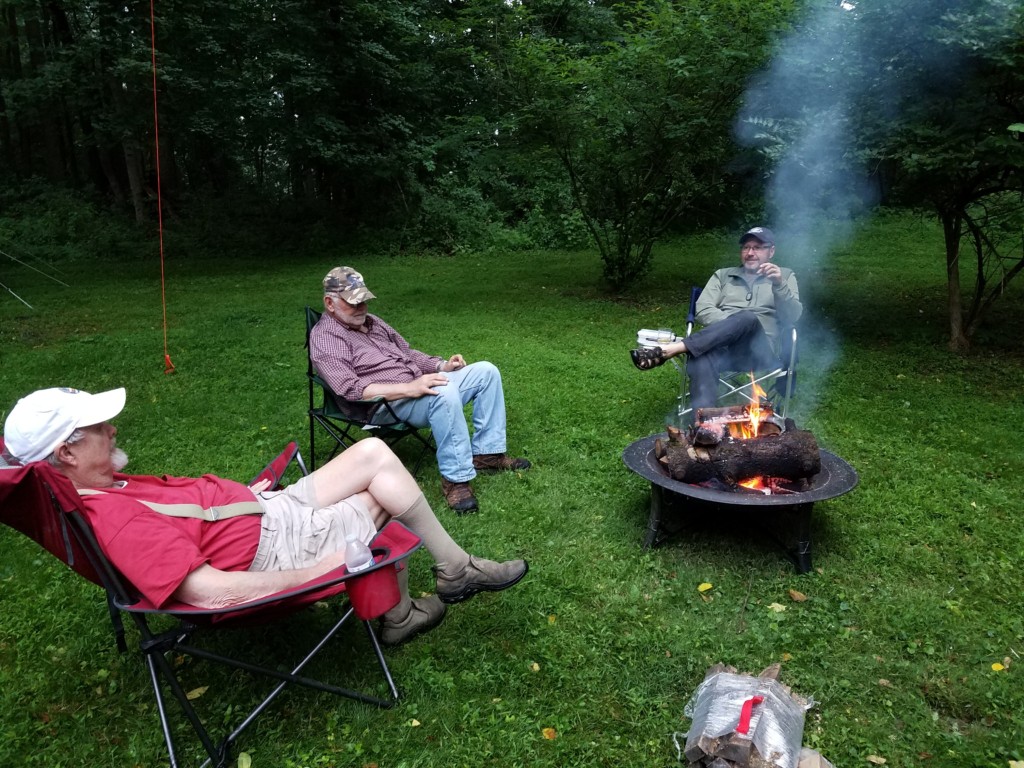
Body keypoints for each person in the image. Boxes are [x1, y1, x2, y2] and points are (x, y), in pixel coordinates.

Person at [2, 386, 529, 647]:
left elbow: (189, 515)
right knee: (381, 496)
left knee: (377, 457)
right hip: (275, 549)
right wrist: (324, 570)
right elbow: (211, 592)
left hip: (268, 512)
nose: (113, 429)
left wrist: (242, 499)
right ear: (66, 454)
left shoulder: (103, 483)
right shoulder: (113, 518)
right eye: (99, 426)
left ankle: (454, 570)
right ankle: (402, 615)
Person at [309, 266, 530, 514]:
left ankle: (488, 455)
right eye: (353, 302)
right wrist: (409, 388)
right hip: (382, 405)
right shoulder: (327, 337)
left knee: (486, 372)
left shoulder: (373, 323)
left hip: (417, 386)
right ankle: (456, 481)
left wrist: (441, 365)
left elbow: (408, 354)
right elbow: (349, 389)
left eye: (364, 301)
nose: (362, 307)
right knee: (443, 394)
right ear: (330, 302)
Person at [630, 227, 802, 408]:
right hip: (721, 347)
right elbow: (703, 309)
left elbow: (793, 315)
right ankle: (704, 424)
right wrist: (733, 325)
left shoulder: (784, 276)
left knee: (748, 319)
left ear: (771, 251)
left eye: (757, 247)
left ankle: (673, 349)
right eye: (746, 247)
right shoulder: (723, 276)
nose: (750, 253)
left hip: (759, 351)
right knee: (702, 354)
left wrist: (779, 285)